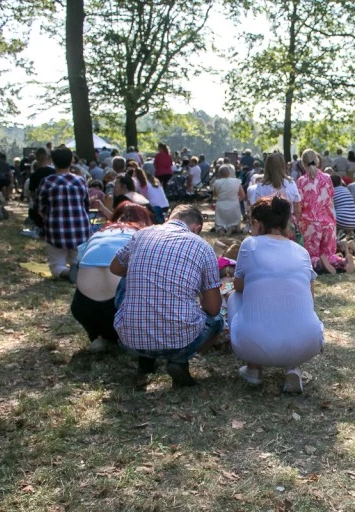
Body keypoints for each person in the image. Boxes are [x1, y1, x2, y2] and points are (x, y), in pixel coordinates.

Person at [110, 205, 224, 387]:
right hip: (178, 340)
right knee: (217, 321)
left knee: (127, 279)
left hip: (130, 338)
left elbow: (115, 268)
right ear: (197, 228)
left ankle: (145, 359)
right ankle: (179, 359)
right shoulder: (202, 247)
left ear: (168, 220)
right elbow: (213, 308)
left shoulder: (142, 234)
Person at [227, 197, 324, 393]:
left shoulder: (249, 245)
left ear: (256, 223)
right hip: (307, 343)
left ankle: (253, 368)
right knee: (297, 304)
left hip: (253, 345)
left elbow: (238, 285)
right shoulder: (302, 252)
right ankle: (293, 368)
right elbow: (310, 297)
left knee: (234, 296)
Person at [71, 203, 153, 352]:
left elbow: (77, 265)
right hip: (119, 309)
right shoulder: (142, 236)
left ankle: (98, 336)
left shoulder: (98, 234)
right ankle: (129, 340)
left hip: (83, 306)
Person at [37, 147, 91, 279]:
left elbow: (39, 208)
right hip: (80, 231)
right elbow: (86, 205)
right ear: (72, 160)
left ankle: (65, 273)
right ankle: (77, 270)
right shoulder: (81, 181)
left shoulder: (47, 182)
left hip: (56, 232)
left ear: (52, 161)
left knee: (56, 265)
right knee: (78, 260)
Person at [296, 150, 354, 274]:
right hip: (328, 223)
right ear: (317, 161)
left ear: (303, 163)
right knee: (329, 254)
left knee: (310, 256)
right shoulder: (328, 178)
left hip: (310, 225)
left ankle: (319, 264)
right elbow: (331, 201)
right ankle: (342, 262)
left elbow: (299, 205)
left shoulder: (301, 181)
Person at [213, 165, 245, 235]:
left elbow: (215, 195)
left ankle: (221, 229)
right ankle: (232, 228)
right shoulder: (236, 181)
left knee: (220, 223)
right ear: (229, 173)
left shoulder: (216, 182)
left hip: (221, 205)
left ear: (219, 174)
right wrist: (236, 201)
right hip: (234, 205)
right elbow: (242, 195)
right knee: (234, 222)